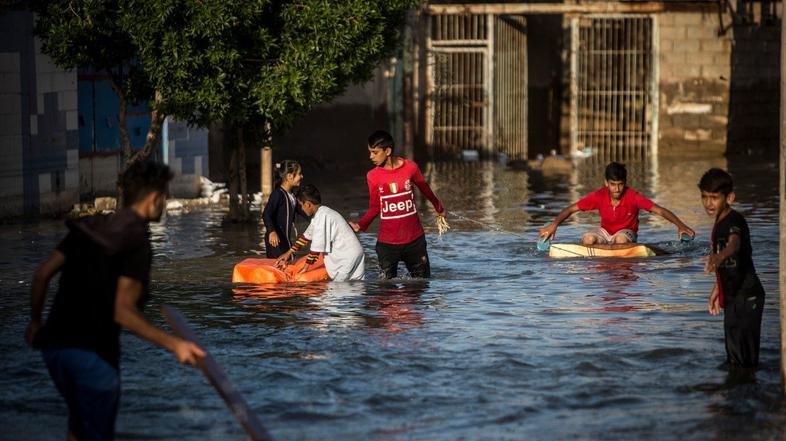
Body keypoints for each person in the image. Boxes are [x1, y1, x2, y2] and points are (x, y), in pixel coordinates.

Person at [25, 161, 205, 441]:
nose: (166, 202)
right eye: (165, 195)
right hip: (93, 355)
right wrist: (175, 344)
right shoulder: (137, 241)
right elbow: (122, 312)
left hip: (55, 350)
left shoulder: (89, 226)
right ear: (154, 198)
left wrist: (35, 322)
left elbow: (41, 276)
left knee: (78, 429)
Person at [349, 130, 445, 279]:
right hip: (387, 245)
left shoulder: (410, 168)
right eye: (370, 152)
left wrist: (439, 208)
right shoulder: (372, 176)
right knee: (386, 293)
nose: (371, 157)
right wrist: (361, 225)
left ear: (387, 151)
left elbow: (425, 188)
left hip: (415, 241)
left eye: (375, 152)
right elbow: (375, 207)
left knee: (421, 286)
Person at [700, 168, 765, 367]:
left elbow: (734, 245)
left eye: (714, 198)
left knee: (742, 361)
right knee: (736, 357)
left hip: (747, 297)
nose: (708, 203)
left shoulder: (734, 220)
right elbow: (734, 264)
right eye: (704, 197)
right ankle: (737, 393)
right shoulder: (719, 222)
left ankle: (746, 393)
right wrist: (717, 289)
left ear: (729, 198)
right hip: (734, 296)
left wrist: (718, 257)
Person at [538, 162, 694, 244]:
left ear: (625, 182)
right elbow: (571, 209)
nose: (617, 189)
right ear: (606, 183)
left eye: (620, 184)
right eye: (613, 184)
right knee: (588, 239)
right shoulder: (599, 195)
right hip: (605, 233)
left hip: (626, 234)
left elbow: (660, 210)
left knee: (620, 240)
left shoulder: (633, 196)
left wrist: (680, 225)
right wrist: (554, 225)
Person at [277, 184, 365, 281]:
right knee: (356, 287)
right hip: (356, 253)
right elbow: (306, 237)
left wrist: (305, 268)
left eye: (301, 205)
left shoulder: (321, 217)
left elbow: (316, 247)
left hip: (348, 258)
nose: (301, 209)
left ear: (307, 204)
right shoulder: (323, 213)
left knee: (337, 288)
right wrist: (289, 252)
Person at [261, 160, 309, 258]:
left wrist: (318, 219)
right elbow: (266, 214)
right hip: (275, 241)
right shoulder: (277, 194)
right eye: (299, 174)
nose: (302, 176)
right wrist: (271, 231)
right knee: (279, 265)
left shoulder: (291, 196)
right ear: (289, 176)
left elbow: (304, 212)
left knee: (289, 260)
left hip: (286, 240)